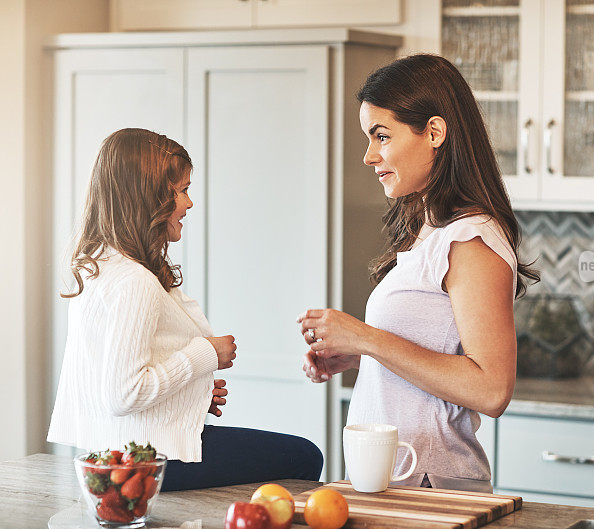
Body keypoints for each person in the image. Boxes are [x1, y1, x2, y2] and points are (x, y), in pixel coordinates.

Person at [297, 54, 539, 492]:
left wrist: (368, 338)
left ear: (434, 132)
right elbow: (432, 353)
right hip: (402, 477)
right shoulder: (431, 233)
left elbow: (492, 389)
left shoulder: (471, 239)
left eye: (382, 136)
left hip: (430, 480)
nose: (370, 156)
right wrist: (360, 355)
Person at [48, 128, 322, 491]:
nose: (189, 204)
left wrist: (190, 398)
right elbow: (123, 394)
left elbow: (114, 379)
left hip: (110, 454)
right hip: (149, 462)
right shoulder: (135, 282)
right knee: (305, 457)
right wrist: (206, 353)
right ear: (151, 197)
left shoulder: (101, 268)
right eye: (183, 191)